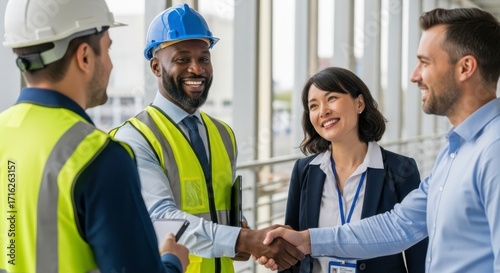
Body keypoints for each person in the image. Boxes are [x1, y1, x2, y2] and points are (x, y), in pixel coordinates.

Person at [261, 7, 500, 273]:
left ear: (465, 67)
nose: (414, 76)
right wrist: (307, 241)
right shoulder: (454, 152)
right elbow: (398, 225)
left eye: (425, 62)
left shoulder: (494, 151)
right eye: (313, 105)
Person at [110, 3, 303, 273]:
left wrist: (250, 238)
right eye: (182, 59)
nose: (197, 69)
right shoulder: (134, 138)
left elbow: (220, 210)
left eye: (204, 58)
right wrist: (247, 240)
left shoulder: (223, 134)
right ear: (156, 67)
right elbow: (163, 219)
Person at [0, 0, 189, 272]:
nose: (111, 64)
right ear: (85, 56)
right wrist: (172, 261)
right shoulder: (99, 157)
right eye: (108, 49)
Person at [281, 67, 428, 273]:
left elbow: (418, 251)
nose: (323, 111)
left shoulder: (400, 169)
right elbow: (291, 252)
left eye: (331, 98)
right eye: (313, 106)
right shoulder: (304, 170)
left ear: (359, 103)